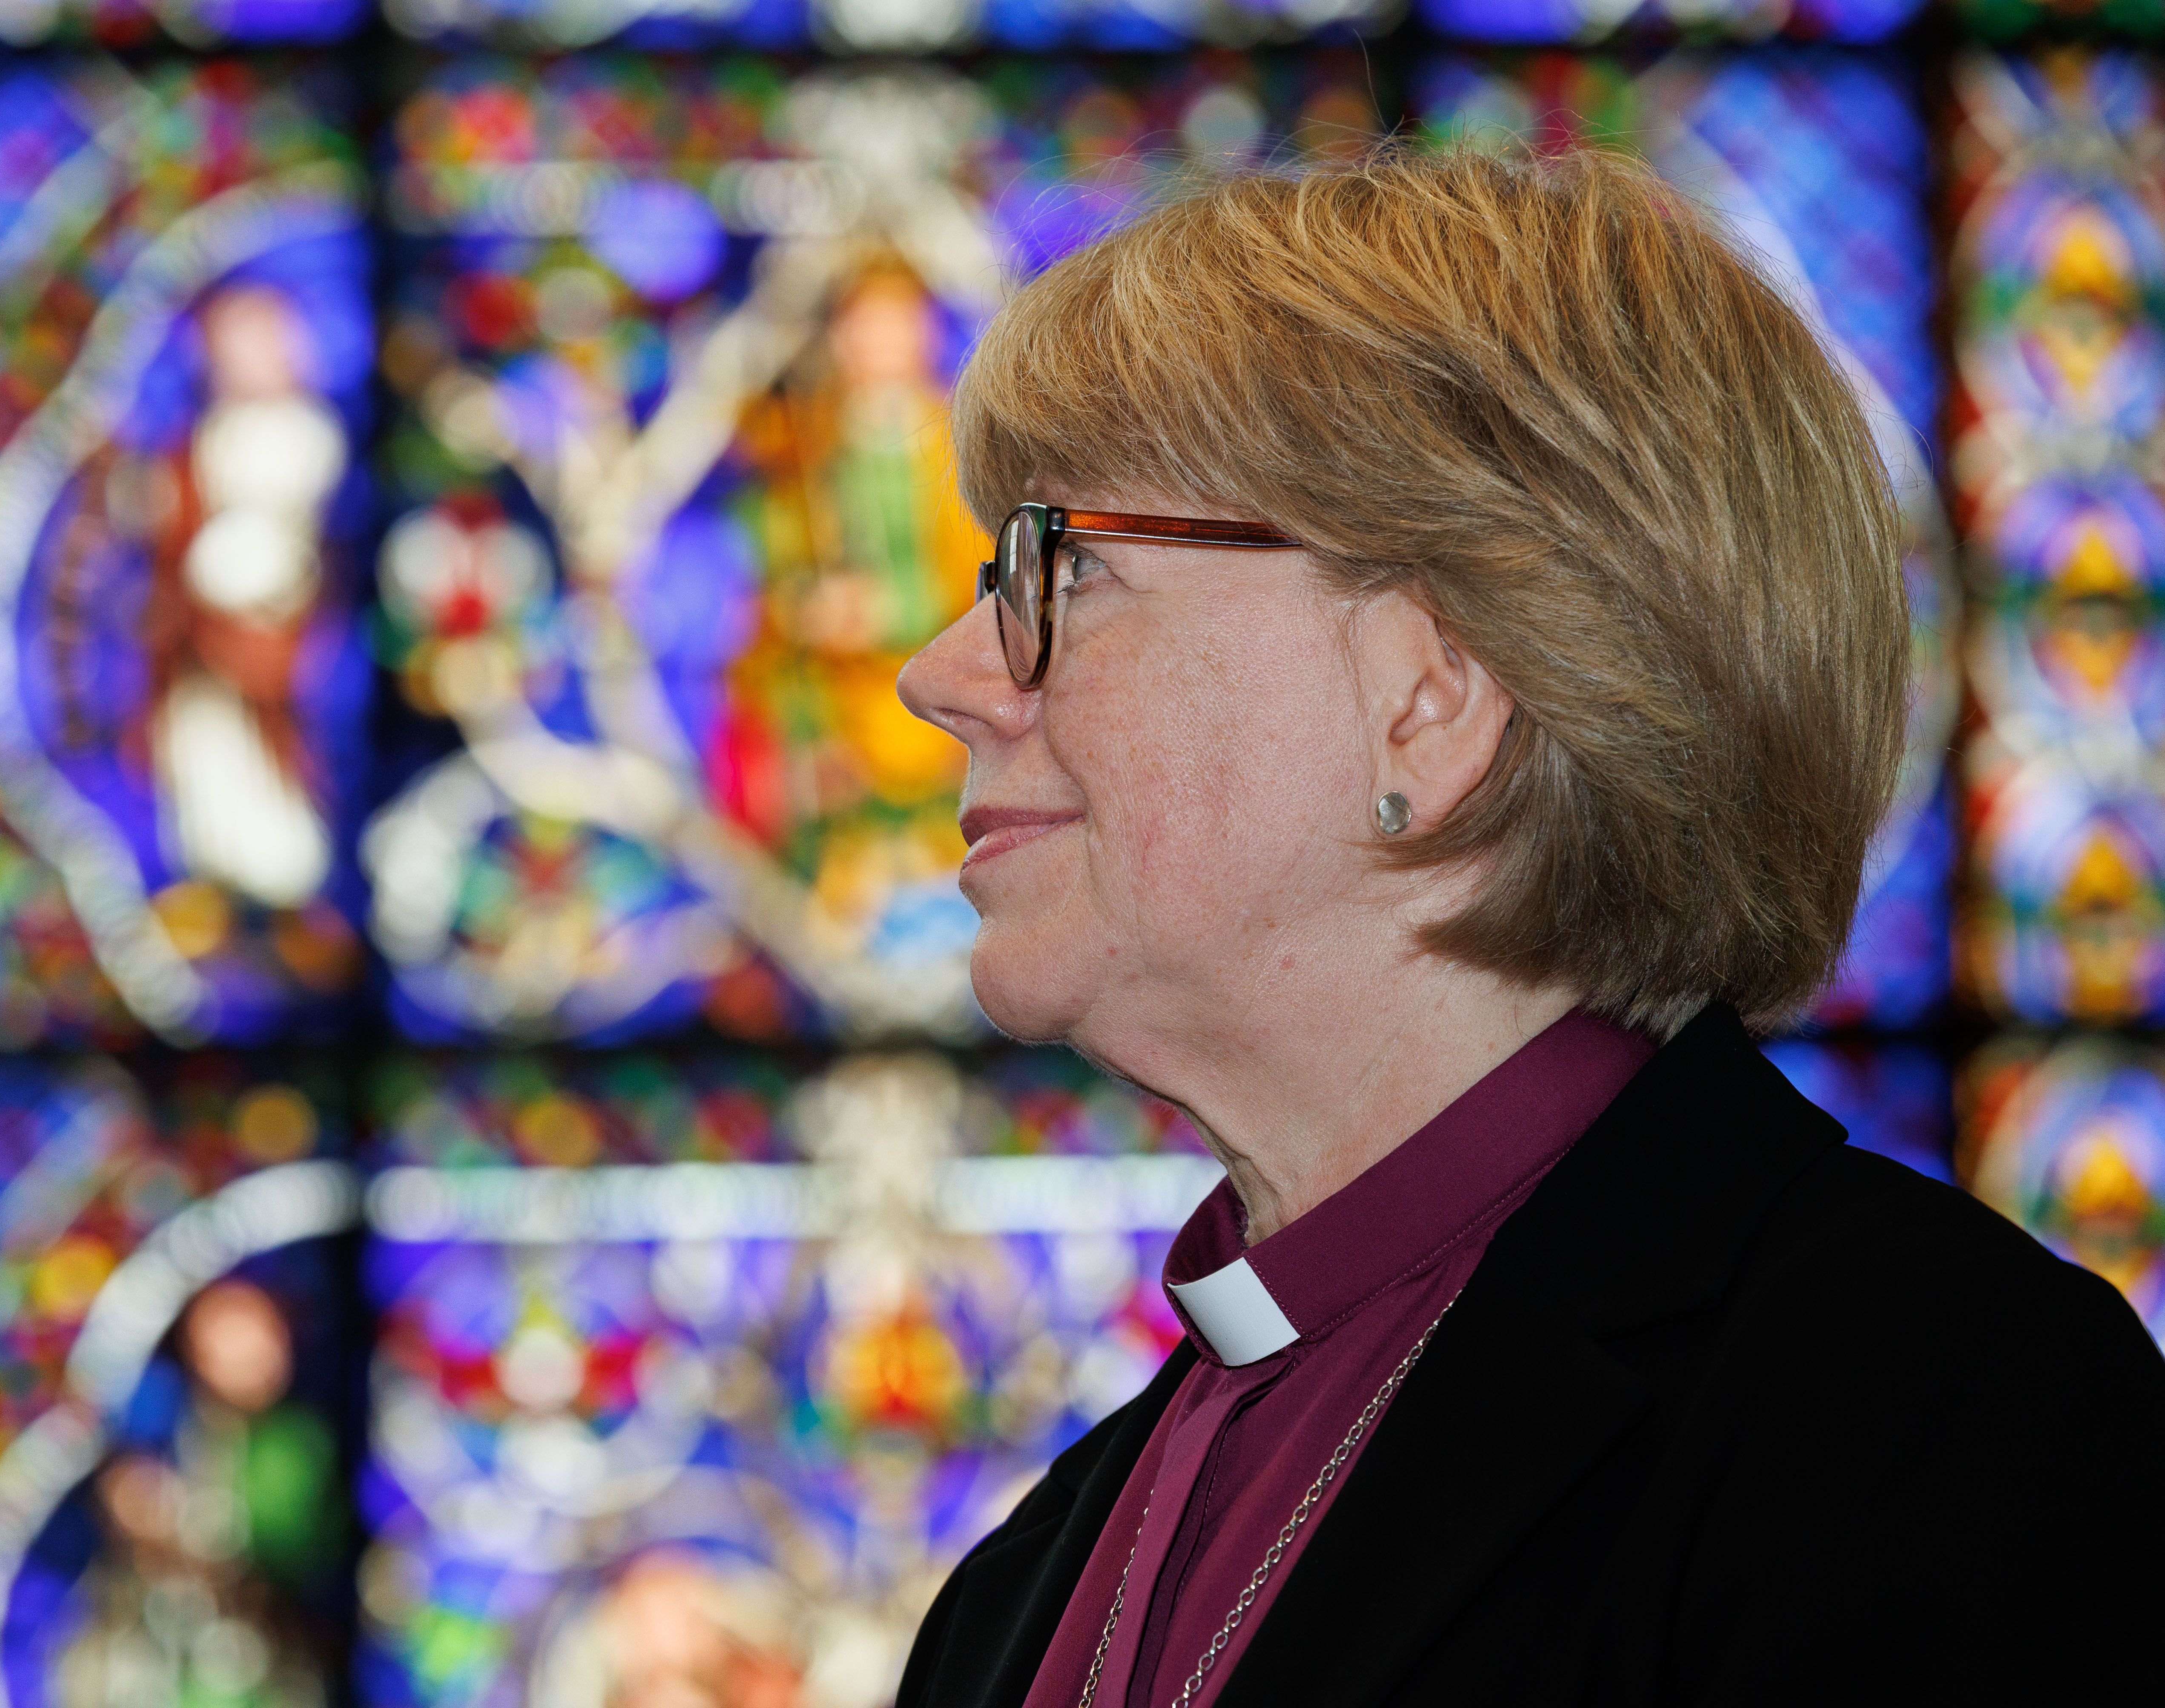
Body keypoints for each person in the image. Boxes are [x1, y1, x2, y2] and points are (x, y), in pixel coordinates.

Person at [890, 144, 2165, 1705]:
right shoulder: (1029, 1585)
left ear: (1431, 699)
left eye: (1058, 568)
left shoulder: (1928, 1415)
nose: (942, 673)